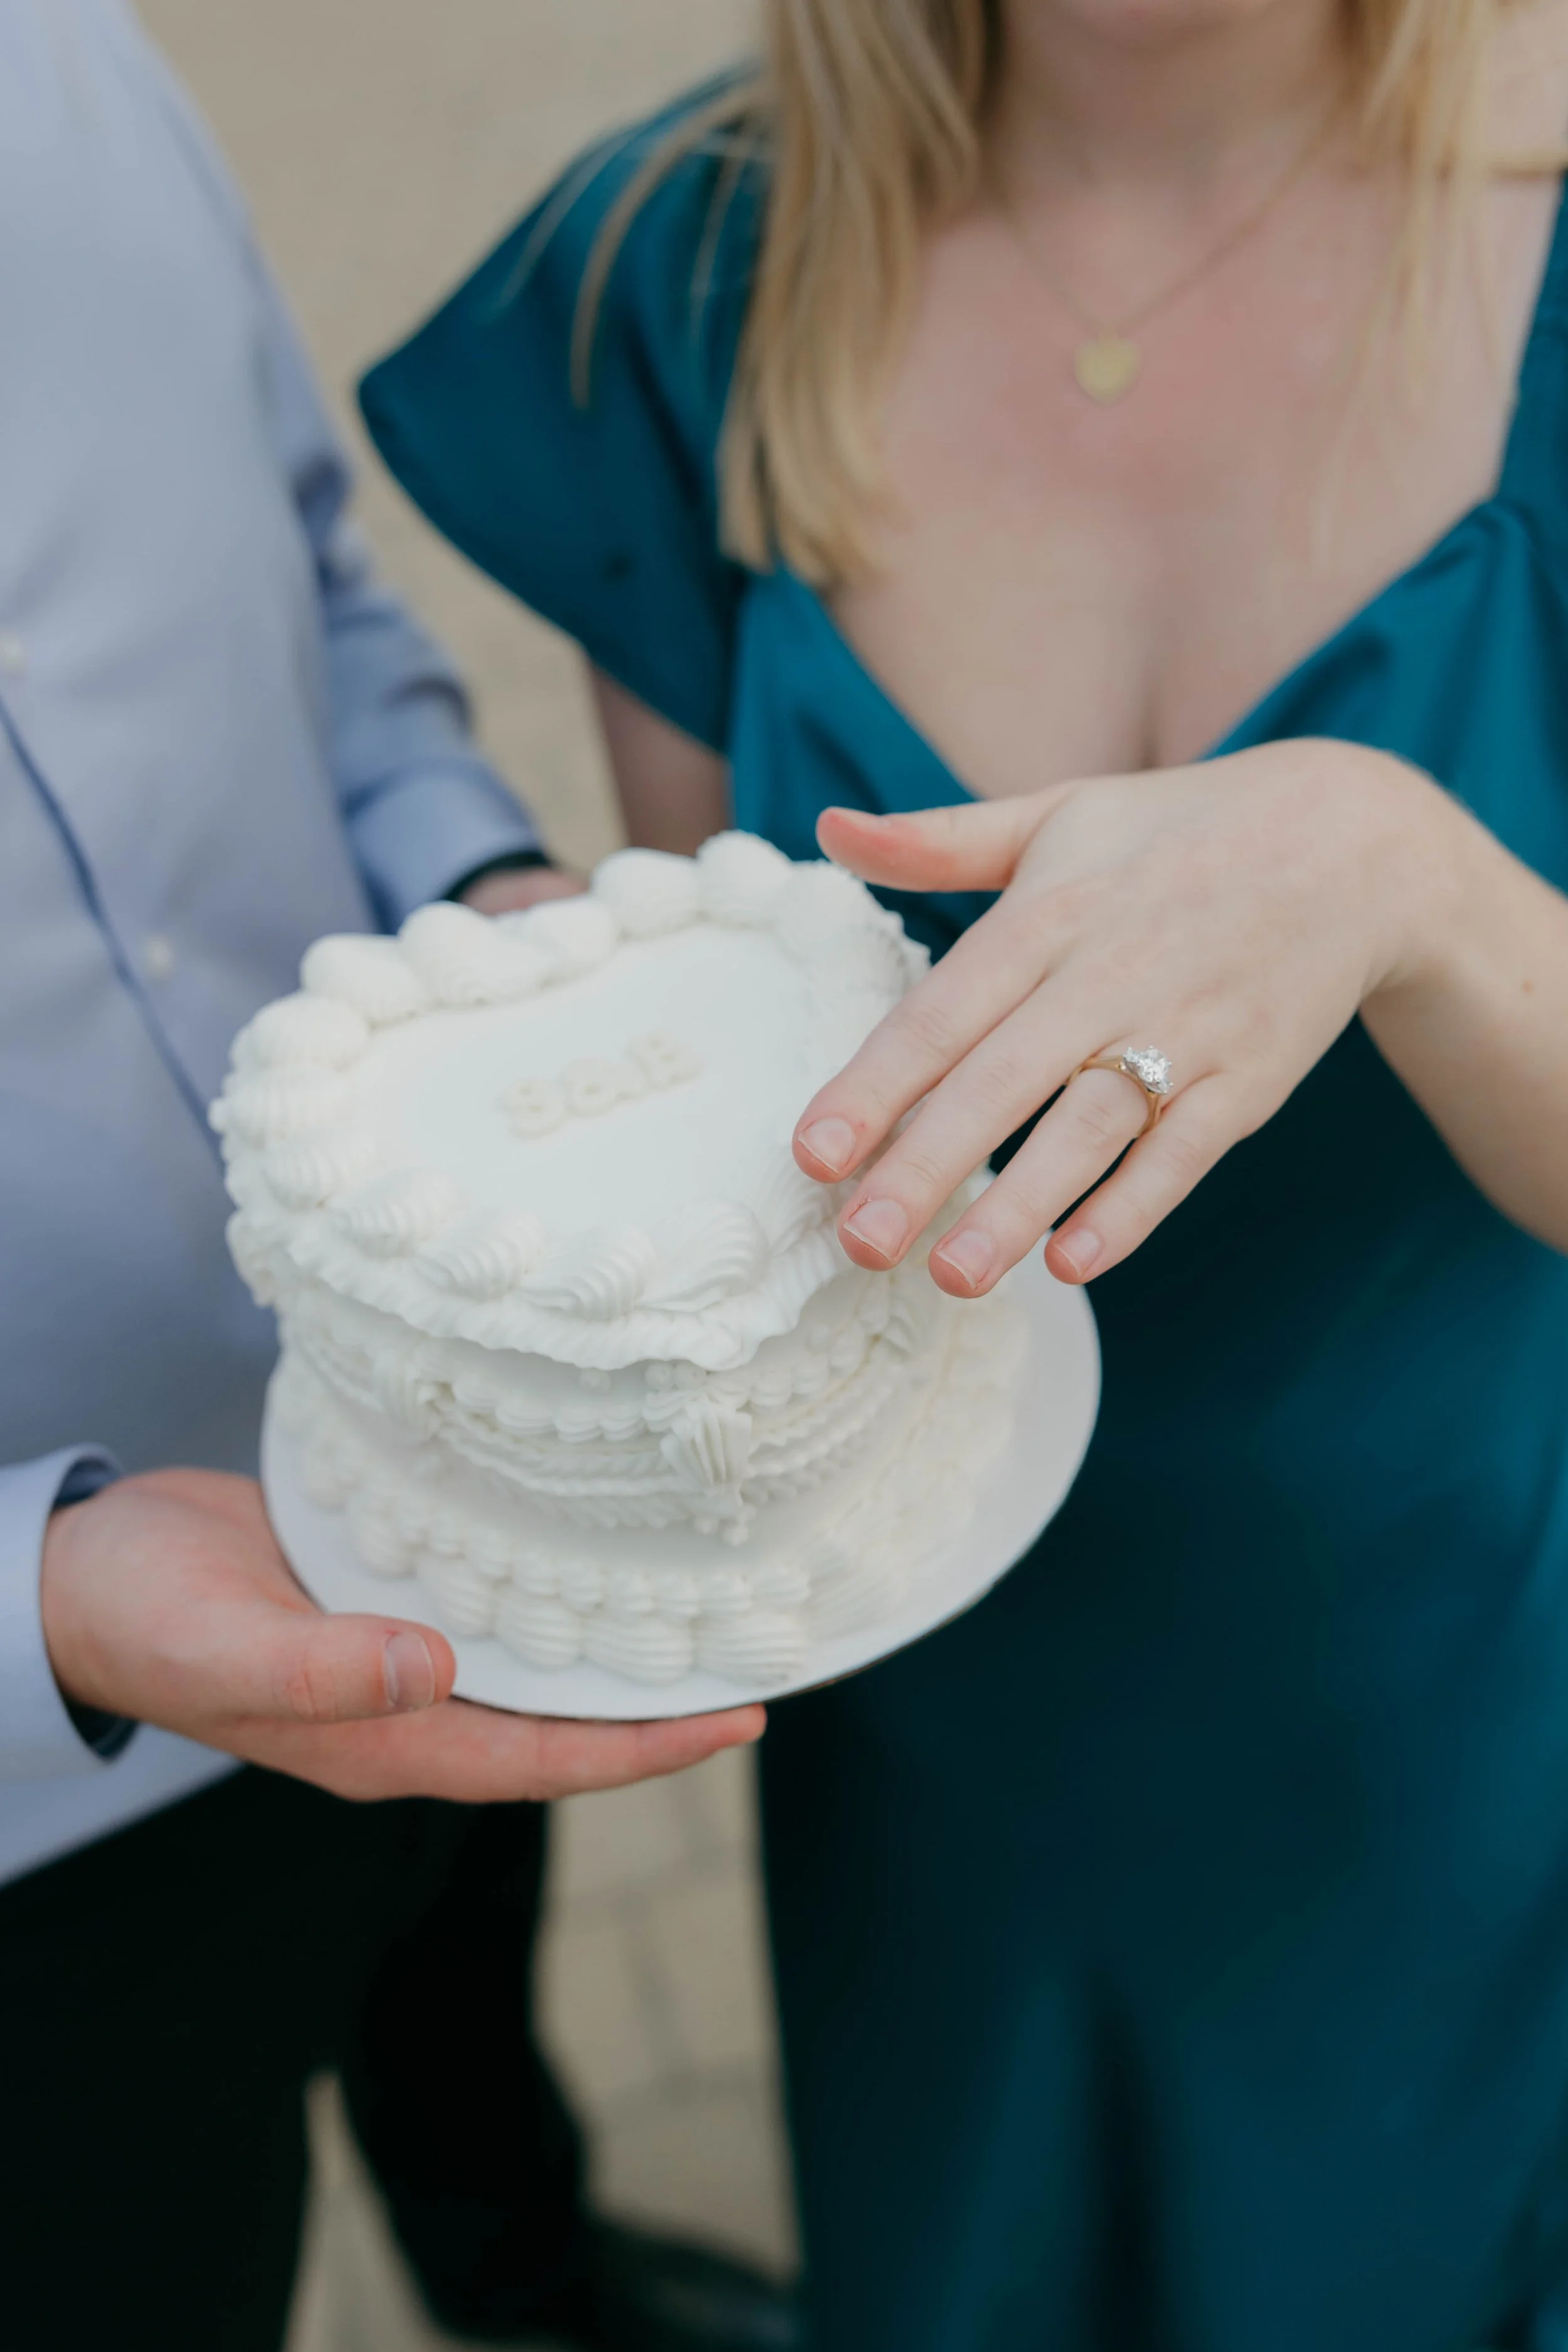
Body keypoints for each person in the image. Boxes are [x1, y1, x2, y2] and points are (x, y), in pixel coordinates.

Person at [359, 0, 1568, 2343]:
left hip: (1451, 1694)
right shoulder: (676, 275)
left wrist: (1406, 876)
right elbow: (755, 1087)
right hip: (921, 1690)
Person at [0, 7, 798, 2351]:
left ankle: (533, 2280)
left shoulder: (64, 57)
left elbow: (322, 586)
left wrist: (496, 896)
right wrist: (34, 1606)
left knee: (465, 2007)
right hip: (55, 1797)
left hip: (431, 1429)